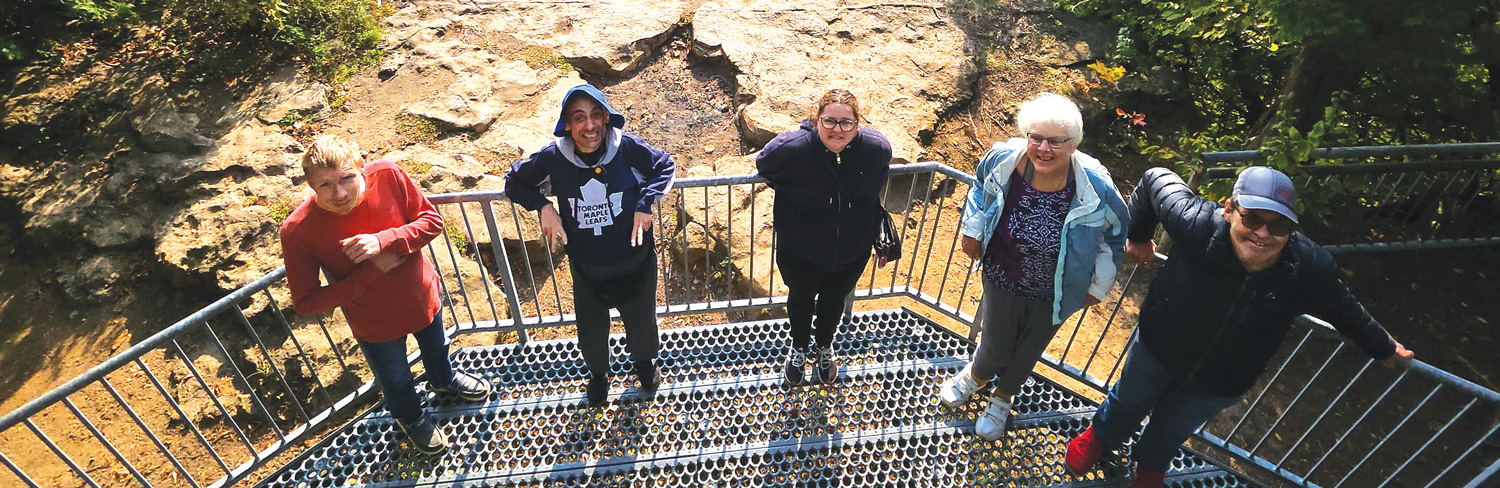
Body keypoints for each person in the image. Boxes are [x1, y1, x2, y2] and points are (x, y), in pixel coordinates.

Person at [1063, 166, 1416, 487]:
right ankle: (1101, 437)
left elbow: (1344, 309)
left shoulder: (1308, 268)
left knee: (1173, 428)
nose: (1263, 233)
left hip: (1223, 379)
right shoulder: (1195, 222)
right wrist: (1138, 236)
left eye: (1278, 225)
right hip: (1158, 347)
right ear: (1229, 209)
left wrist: (1384, 347)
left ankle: (1151, 469)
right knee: (1128, 400)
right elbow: (1154, 179)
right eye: (1252, 218)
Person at [281, 135, 492, 456]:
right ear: (310, 186)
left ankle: (443, 380)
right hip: (375, 323)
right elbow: (306, 302)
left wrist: (384, 239)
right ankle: (411, 417)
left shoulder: (388, 175)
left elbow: (432, 221)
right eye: (325, 185)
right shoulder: (298, 230)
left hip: (422, 296)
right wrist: (372, 271)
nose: (339, 194)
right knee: (395, 378)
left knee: (438, 347)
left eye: (347, 178)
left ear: (361, 167)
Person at [936, 93, 1129, 441]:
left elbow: (1115, 233)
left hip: (1058, 287)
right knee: (996, 345)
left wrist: (1099, 284)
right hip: (1003, 273)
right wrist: (972, 230)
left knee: (1029, 349)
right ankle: (976, 375)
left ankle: (1002, 398)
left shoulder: (1096, 184)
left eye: (1056, 141)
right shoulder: (1003, 159)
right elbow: (980, 189)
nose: (1043, 148)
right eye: (1036, 137)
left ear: (1073, 144)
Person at [504, 84, 676, 407]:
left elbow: (665, 166)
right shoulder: (554, 158)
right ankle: (598, 374)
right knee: (591, 330)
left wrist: (644, 203)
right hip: (587, 269)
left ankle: (644, 362)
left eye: (596, 115)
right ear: (567, 125)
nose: (590, 126)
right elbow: (513, 181)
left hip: (635, 262)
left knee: (642, 322)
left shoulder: (627, 148)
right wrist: (543, 206)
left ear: (607, 117)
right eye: (579, 118)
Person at [756, 88, 894, 386]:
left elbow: (875, 187)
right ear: (816, 119)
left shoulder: (874, 149)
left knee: (833, 301)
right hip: (800, 252)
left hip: (851, 252)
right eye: (829, 121)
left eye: (846, 122)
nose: (837, 130)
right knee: (800, 300)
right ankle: (798, 346)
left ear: (858, 124)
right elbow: (764, 163)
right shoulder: (793, 148)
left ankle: (824, 346)